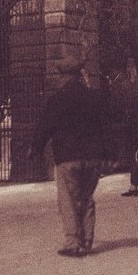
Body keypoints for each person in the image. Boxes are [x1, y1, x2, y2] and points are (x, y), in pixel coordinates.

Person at [32, 58, 107, 258]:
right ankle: (87, 239)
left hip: (68, 157)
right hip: (93, 157)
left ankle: (73, 242)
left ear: (63, 76)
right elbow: (104, 127)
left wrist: (35, 149)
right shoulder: (94, 97)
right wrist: (108, 155)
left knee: (68, 199)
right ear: (79, 74)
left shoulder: (57, 99)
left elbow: (45, 127)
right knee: (87, 197)